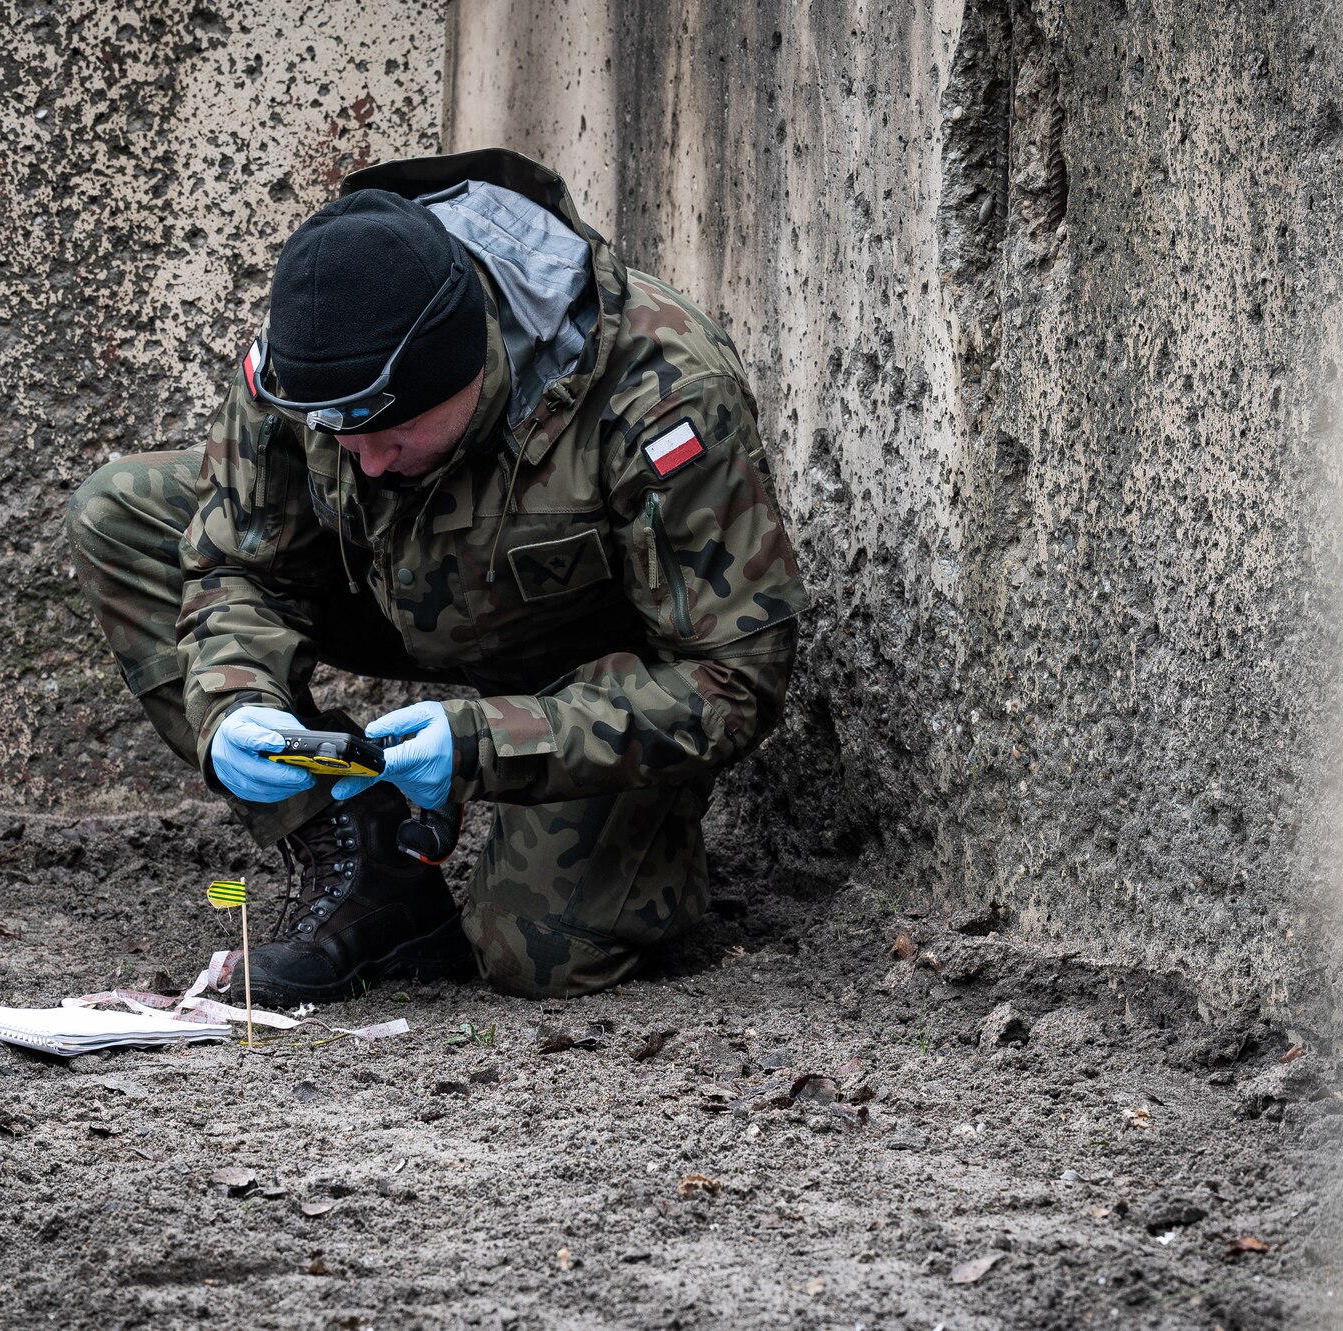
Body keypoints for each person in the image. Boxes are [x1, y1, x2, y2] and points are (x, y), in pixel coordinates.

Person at [65, 149, 808, 1003]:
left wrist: (486, 741)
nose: (367, 464)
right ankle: (366, 869)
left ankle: (636, 847)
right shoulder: (309, 359)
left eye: (393, 434)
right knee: (120, 513)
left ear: (472, 364)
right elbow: (237, 561)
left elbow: (734, 678)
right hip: (402, 590)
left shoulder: (660, 392)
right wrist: (235, 698)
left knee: (535, 951)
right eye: (338, 438)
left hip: (591, 677)